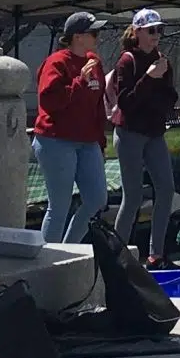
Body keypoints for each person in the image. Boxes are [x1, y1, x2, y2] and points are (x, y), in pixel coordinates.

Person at [108, 9, 180, 262]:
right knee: (133, 196)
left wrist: (159, 82)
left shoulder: (162, 60)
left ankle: (156, 253)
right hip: (129, 134)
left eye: (159, 30)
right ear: (137, 32)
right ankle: (117, 255)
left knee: (167, 189)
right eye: (151, 30)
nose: (156, 36)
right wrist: (149, 78)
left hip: (154, 133)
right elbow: (126, 102)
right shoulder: (127, 61)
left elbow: (170, 97)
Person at [33, 12, 109, 244]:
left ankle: (69, 249)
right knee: (59, 208)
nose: (97, 36)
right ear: (77, 37)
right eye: (93, 32)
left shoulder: (94, 62)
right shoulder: (57, 62)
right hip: (56, 141)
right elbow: (50, 101)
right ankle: (46, 262)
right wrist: (78, 83)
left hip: (87, 141)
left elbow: (97, 104)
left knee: (97, 200)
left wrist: (100, 141)